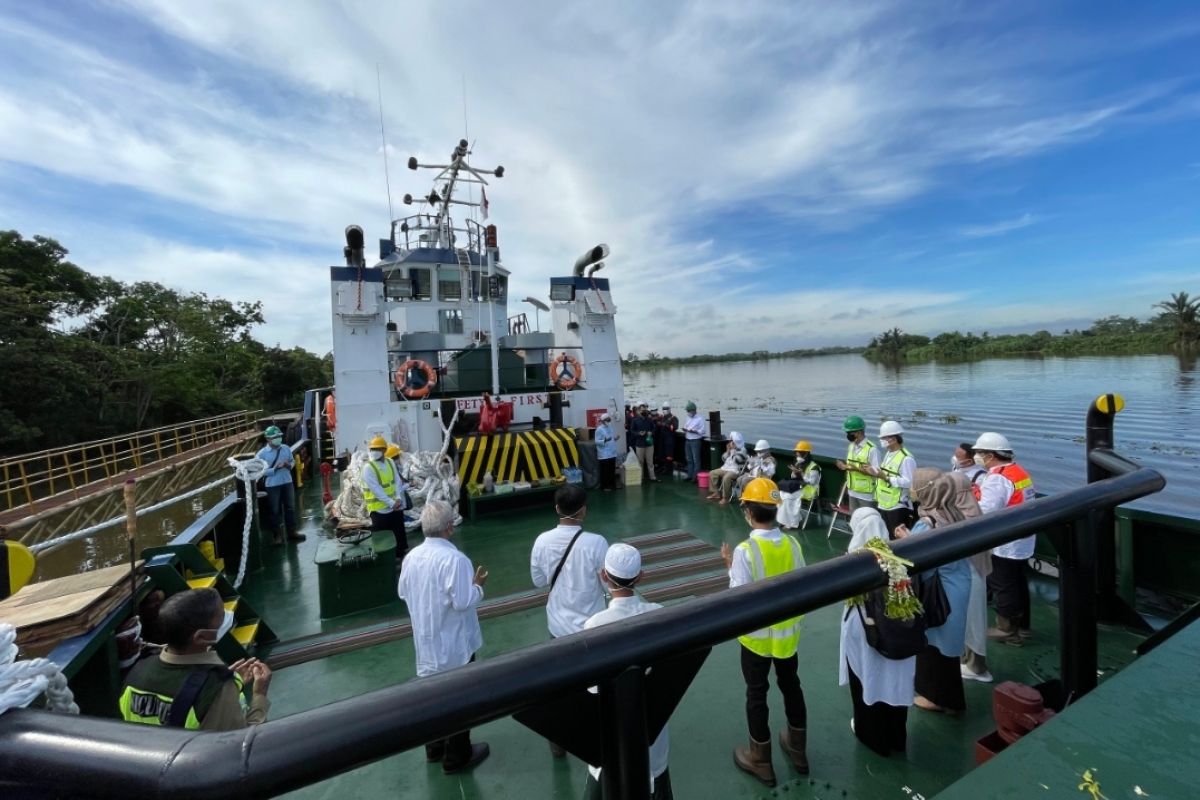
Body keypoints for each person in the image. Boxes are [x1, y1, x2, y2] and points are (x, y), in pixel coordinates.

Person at [720, 478, 808, 786]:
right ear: (775, 510)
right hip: (788, 637)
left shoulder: (746, 550)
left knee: (757, 694)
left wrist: (731, 566)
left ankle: (761, 760)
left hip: (756, 640)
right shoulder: (792, 543)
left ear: (747, 511)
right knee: (791, 685)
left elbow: (739, 594)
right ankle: (798, 749)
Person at [398, 500, 490, 773]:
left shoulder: (411, 558)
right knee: (461, 699)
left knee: (432, 699)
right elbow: (462, 601)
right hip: (455, 646)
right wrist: (478, 587)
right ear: (450, 527)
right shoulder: (455, 560)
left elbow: (403, 592)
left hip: (426, 644)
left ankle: (434, 749)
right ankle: (457, 756)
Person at [582, 544, 673, 799]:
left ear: (604, 576)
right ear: (641, 576)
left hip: (610, 734)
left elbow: (592, 690)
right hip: (652, 728)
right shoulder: (659, 615)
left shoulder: (594, 626)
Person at [119, 588, 271, 730]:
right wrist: (259, 696)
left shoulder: (137, 672)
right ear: (201, 637)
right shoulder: (217, 688)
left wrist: (230, 685)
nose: (227, 617)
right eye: (222, 616)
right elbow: (242, 745)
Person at [530, 484, 609, 756]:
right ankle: (598, 732)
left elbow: (539, 581)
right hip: (593, 625)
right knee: (596, 681)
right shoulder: (596, 542)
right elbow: (608, 583)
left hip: (558, 626)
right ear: (584, 510)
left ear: (556, 509)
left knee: (562, 683)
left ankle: (560, 741)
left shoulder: (541, 541)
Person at [894, 468, 975, 714]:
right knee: (946, 647)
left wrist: (905, 538)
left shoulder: (928, 523)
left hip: (940, 593)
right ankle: (948, 698)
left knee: (934, 647)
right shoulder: (952, 512)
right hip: (958, 584)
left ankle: (941, 699)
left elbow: (917, 560)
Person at [839, 508, 915, 756]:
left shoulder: (854, 560)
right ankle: (896, 737)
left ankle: (872, 737)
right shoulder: (897, 557)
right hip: (899, 633)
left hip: (867, 634)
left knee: (866, 679)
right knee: (894, 682)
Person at [972, 432, 1037, 646]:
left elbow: (985, 510)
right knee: (1018, 581)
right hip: (1023, 538)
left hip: (1006, 543)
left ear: (991, 455)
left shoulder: (997, 478)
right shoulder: (1018, 471)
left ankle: (1007, 630)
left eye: (980, 453)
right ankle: (1024, 627)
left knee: (1003, 585)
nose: (978, 457)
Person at [950, 443, 993, 682]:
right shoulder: (971, 509)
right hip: (972, 571)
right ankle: (970, 660)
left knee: (972, 620)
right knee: (971, 619)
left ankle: (976, 666)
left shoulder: (967, 516)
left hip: (970, 573)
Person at [361, 435, 410, 561]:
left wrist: (398, 498)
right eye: (372, 449)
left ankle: (401, 556)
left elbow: (397, 482)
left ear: (383, 450)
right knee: (382, 540)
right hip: (379, 511)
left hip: (395, 507)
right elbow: (376, 490)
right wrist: (391, 502)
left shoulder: (390, 462)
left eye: (377, 449)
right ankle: (386, 561)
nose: (374, 451)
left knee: (399, 535)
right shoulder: (368, 468)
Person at [256, 425, 304, 545]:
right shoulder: (261, 454)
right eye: (275, 437)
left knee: (290, 508)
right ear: (268, 439)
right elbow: (258, 471)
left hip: (287, 482)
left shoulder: (286, 448)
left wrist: (289, 465)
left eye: (279, 436)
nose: (278, 438)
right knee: (274, 510)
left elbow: (292, 461)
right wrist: (274, 469)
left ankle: (292, 532)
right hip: (272, 485)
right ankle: (277, 535)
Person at [868, 421, 916, 537]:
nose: (881, 440)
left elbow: (909, 482)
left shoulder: (906, 458)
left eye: (884, 437)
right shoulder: (889, 453)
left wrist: (887, 478)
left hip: (897, 506)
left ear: (893, 439)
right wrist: (873, 471)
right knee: (887, 536)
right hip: (884, 503)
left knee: (897, 538)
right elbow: (886, 473)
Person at [836, 416, 879, 513]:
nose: (847, 435)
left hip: (867, 495)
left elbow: (877, 473)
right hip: (852, 492)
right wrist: (844, 466)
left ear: (859, 432)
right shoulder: (851, 446)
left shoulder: (872, 449)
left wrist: (856, 469)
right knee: (854, 521)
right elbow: (851, 465)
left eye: (849, 433)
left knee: (867, 522)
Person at [706, 431, 749, 504]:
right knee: (712, 473)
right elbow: (723, 458)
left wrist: (734, 450)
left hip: (736, 470)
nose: (730, 442)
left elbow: (737, 461)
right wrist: (728, 451)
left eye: (732, 440)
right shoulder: (731, 448)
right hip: (726, 468)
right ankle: (716, 493)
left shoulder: (743, 450)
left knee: (726, 478)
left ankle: (725, 497)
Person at [631, 402, 659, 483]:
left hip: (649, 443)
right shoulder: (635, 420)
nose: (644, 412)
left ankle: (652, 477)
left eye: (645, 410)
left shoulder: (649, 420)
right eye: (642, 410)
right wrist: (639, 433)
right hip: (640, 444)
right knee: (640, 461)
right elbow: (632, 431)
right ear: (639, 411)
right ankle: (641, 478)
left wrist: (651, 432)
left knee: (650, 461)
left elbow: (654, 428)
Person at [681, 402, 706, 482]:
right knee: (689, 459)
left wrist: (693, 431)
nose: (688, 413)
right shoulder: (688, 417)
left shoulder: (700, 418)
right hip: (687, 440)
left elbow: (702, 431)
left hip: (695, 440)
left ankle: (695, 477)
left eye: (689, 411)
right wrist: (685, 430)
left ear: (693, 410)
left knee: (696, 459)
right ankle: (689, 475)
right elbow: (686, 426)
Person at [594, 412, 618, 491]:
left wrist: (615, 438)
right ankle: (604, 487)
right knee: (605, 472)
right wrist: (604, 440)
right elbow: (597, 441)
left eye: (609, 420)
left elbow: (611, 438)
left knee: (611, 470)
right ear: (603, 421)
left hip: (612, 453)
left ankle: (612, 485)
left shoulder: (610, 427)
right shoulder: (599, 429)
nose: (609, 421)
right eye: (607, 420)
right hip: (604, 454)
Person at [655, 403, 679, 477]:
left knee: (669, 455)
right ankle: (663, 467)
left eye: (666, 408)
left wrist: (666, 425)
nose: (664, 410)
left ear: (669, 409)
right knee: (661, 453)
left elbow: (675, 427)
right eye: (663, 408)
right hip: (662, 439)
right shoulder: (661, 418)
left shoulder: (673, 418)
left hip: (669, 439)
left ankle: (669, 469)